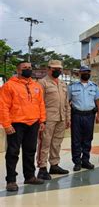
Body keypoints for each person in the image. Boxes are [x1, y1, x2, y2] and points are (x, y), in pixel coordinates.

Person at [0, 61, 46, 192]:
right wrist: (6, 125)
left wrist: (42, 121)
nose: (28, 70)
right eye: (25, 68)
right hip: (16, 124)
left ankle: (30, 176)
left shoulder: (36, 86)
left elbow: (40, 104)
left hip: (33, 123)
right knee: (13, 152)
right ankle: (11, 180)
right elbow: (3, 107)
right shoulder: (9, 86)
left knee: (30, 151)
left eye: (30, 68)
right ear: (18, 71)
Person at [37, 60, 71, 180]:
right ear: (48, 69)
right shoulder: (42, 83)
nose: (58, 71)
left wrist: (68, 118)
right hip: (48, 118)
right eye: (54, 69)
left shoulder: (62, 83)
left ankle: (54, 165)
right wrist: (41, 120)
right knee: (45, 143)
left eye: (59, 69)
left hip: (61, 118)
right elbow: (38, 103)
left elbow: (66, 103)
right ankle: (42, 167)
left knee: (57, 143)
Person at [68, 66, 99, 172]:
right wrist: (68, 117)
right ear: (79, 74)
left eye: (88, 72)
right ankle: (77, 162)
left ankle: (86, 160)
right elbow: (67, 102)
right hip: (76, 116)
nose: (86, 74)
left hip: (89, 116)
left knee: (88, 139)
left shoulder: (94, 86)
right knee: (76, 140)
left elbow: (97, 101)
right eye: (84, 72)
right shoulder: (72, 87)